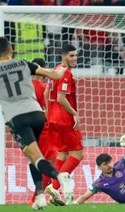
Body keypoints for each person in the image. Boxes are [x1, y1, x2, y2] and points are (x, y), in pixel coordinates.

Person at [0, 37, 73, 209]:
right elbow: (54, 75)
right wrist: (63, 68)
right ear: (11, 49)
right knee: (32, 156)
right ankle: (40, 195)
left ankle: (59, 176)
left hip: (17, 118)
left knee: (36, 157)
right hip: (36, 115)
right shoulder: (25, 64)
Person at [45, 44, 84, 205]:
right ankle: (55, 186)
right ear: (64, 57)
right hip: (64, 119)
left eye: (75, 55)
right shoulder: (66, 73)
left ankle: (52, 187)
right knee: (78, 154)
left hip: (54, 118)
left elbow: (47, 93)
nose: (74, 59)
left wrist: (48, 113)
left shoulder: (56, 69)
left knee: (62, 155)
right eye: (71, 56)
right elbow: (61, 98)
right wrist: (75, 114)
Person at [28, 58, 64, 206]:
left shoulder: (27, 87)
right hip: (44, 128)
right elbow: (46, 111)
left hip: (30, 129)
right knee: (49, 163)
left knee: (42, 162)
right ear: (42, 71)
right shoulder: (43, 88)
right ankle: (37, 198)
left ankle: (49, 192)